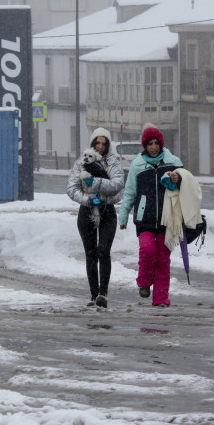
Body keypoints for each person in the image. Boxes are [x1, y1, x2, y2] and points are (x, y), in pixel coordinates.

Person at [117, 124, 183, 307]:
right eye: (150, 143)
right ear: (144, 146)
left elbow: (187, 186)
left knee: (163, 260)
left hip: (167, 219)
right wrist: (123, 217)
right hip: (144, 219)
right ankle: (144, 282)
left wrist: (180, 180)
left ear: (161, 144)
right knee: (148, 251)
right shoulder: (137, 166)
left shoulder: (173, 163)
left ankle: (161, 299)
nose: (154, 147)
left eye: (156, 143)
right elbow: (129, 192)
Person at [66, 128, 125, 308]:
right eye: (97, 143)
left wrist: (99, 186)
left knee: (103, 250)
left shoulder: (113, 163)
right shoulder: (81, 162)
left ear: (108, 145)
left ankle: (103, 294)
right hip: (86, 212)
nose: (100, 147)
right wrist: (88, 200)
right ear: (92, 144)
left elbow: (118, 187)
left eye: (103, 143)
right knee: (90, 254)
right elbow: (72, 188)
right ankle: (93, 295)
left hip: (107, 212)